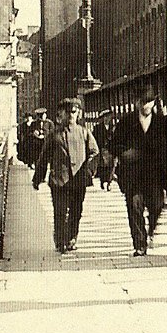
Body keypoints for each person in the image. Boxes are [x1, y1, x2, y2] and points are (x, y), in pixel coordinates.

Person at [105, 83, 167, 256]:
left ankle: (151, 229)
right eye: (143, 102)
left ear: (154, 102)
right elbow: (113, 145)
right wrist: (125, 152)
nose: (146, 105)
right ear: (136, 102)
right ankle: (139, 244)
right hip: (133, 176)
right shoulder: (126, 122)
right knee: (134, 208)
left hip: (155, 176)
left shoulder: (163, 123)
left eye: (149, 101)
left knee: (157, 206)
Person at [32, 97, 100, 254]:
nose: (71, 115)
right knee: (60, 211)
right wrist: (37, 179)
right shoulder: (54, 135)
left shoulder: (84, 132)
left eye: (74, 112)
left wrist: (88, 171)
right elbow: (44, 157)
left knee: (76, 211)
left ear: (78, 114)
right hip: (59, 180)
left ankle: (71, 238)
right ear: (61, 114)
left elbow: (94, 152)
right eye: (67, 112)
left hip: (78, 180)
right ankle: (60, 240)